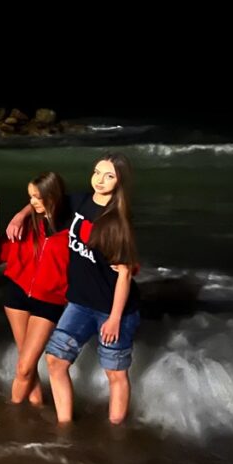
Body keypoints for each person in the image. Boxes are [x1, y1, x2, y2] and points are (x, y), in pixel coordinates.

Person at [16, 154, 141, 424]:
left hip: (112, 309)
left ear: (120, 182)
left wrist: (115, 318)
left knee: (115, 373)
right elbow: (44, 199)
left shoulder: (118, 221)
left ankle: (115, 432)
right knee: (55, 361)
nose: (100, 180)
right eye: (97, 172)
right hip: (80, 304)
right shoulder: (79, 202)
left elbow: (124, 275)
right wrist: (21, 215)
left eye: (109, 176)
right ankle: (65, 426)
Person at [0, 171, 70, 404]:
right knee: (26, 364)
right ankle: (33, 408)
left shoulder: (73, 228)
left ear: (52, 195)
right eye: (30, 197)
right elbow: (2, 251)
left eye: (38, 197)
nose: (32, 202)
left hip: (50, 301)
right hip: (17, 294)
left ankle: (14, 412)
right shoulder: (29, 223)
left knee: (24, 366)